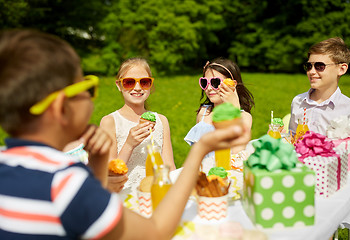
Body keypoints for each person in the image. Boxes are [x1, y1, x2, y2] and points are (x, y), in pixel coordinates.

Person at [0, 29, 249, 239]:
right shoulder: (67, 183)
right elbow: (156, 231)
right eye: (87, 87)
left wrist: (98, 167)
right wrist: (200, 150)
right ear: (60, 108)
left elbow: (89, 214)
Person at [100, 58, 175, 193]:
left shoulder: (161, 121)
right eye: (129, 82)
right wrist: (129, 144)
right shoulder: (110, 122)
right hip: (125, 194)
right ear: (119, 85)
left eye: (144, 82)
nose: (138, 87)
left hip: (156, 193)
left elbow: (169, 167)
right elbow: (109, 174)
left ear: (151, 85)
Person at [184, 57, 254, 172]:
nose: (209, 88)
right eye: (204, 82)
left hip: (229, 173)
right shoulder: (203, 113)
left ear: (232, 84)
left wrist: (234, 106)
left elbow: (236, 152)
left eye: (215, 82)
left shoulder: (244, 117)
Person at [289, 37, 350, 136]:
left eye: (320, 66)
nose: (312, 72)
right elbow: (292, 138)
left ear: (341, 69)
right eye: (309, 66)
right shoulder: (298, 102)